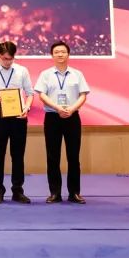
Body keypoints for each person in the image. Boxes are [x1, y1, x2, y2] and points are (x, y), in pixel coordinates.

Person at [0, 41, 35, 204]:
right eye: (4, 59)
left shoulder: (22, 70)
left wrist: (27, 107)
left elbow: (30, 93)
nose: (8, 62)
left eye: (11, 59)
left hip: (18, 116)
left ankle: (17, 190)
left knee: (18, 155)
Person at [35, 40, 91, 204]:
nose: (60, 54)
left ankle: (74, 193)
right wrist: (57, 107)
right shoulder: (46, 74)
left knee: (73, 156)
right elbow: (42, 95)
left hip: (72, 117)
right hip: (52, 117)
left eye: (63, 52)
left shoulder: (77, 74)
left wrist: (72, 109)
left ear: (68, 54)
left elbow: (83, 95)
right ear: (52, 55)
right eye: (56, 52)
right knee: (53, 156)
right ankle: (55, 193)